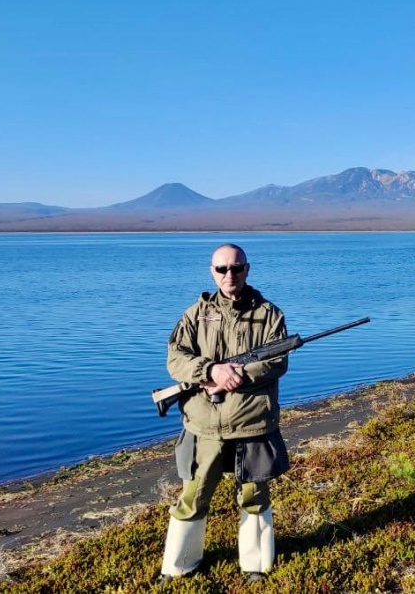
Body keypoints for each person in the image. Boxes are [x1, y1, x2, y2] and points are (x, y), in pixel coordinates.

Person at [160, 243, 290, 583]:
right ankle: (178, 567)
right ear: (212, 271)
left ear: (248, 269)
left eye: (236, 268)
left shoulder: (270, 314)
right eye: (222, 269)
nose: (229, 275)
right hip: (204, 426)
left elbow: (277, 362)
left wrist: (238, 376)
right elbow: (175, 359)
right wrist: (210, 372)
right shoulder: (194, 314)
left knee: (254, 497)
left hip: (252, 424)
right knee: (193, 496)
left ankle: (256, 566)